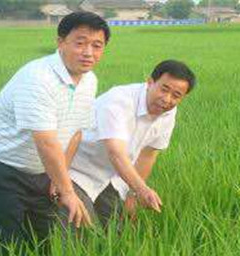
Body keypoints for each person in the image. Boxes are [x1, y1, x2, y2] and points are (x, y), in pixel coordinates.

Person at [0, 12, 110, 256]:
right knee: (4, 251)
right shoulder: (38, 77)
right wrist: (67, 191)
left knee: (46, 245)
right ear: (60, 42)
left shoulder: (90, 81)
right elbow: (45, 141)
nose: (89, 52)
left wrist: (58, 176)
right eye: (80, 42)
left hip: (40, 173)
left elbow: (76, 132)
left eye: (97, 45)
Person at [69, 60, 196, 227]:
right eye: (164, 89)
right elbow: (115, 153)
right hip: (78, 170)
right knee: (79, 229)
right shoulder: (119, 101)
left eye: (176, 95)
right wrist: (142, 190)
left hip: (111, 177)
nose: (167, 99)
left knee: (120, 230)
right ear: (150, 82)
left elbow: (148, 155)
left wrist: (132, 196)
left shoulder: (168, 112)